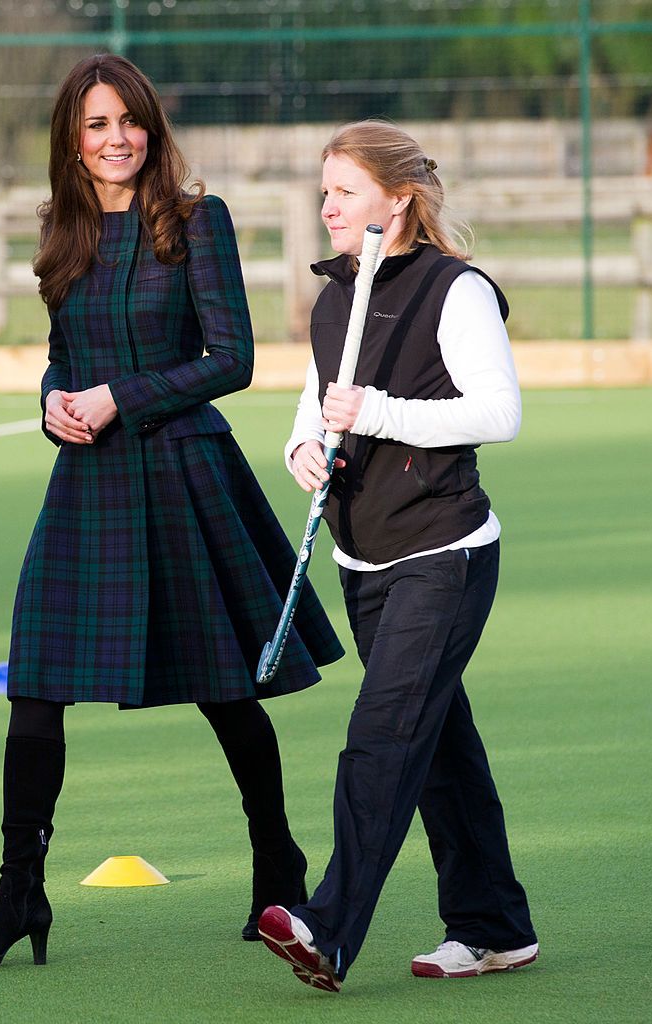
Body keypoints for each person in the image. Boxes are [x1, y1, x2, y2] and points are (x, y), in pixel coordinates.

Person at [0, 53, 344, 969]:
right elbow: (61, 350)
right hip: (86, 486)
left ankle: (277, 863)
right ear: (72, 140)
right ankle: (19, 895)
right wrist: (52, 401)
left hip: (181, 475)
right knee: (36, 686)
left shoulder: (196, 222)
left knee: (224, 688)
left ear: (151, 130)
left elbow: (231, 359)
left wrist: (120, 396)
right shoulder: (62, 228)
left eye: (129, 121)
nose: (116, 138)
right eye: (96, 124)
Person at [256, 120, 538, 992]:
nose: (326, 204)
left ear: (397, 198)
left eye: (343, 190)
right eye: (324, 189)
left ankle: (327, 930)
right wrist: (302, 448)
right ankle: (492, 925)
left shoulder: (454, 292)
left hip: (443, 554)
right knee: (437, 747)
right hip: (363, 560)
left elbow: (498, 413)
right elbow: (317, 403)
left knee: (381, 738)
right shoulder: (333, 294)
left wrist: (376, 412)